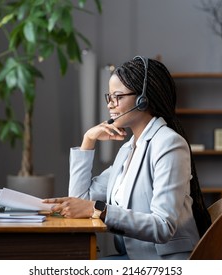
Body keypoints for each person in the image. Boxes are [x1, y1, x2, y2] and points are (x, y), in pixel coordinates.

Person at [43, 56, 211, 260]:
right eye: (109, 97)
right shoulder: (128, 149)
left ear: (143, 100)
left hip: (161, 262)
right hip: (132, 257)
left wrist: (99, 210)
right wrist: (88, 140)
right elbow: (80, 199)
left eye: (118, 97)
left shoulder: (169, 144)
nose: (110, 105)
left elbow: (162, 227)